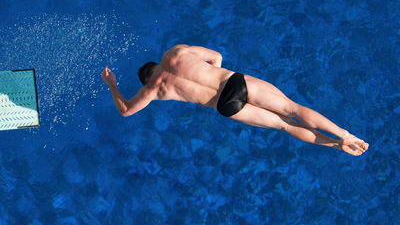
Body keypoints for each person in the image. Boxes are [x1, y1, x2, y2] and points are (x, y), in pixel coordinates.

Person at [102, 44, 369, 156]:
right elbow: (216, 56)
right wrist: (217, 73)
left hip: (225, 106)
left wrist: (113, 86)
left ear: (148, 79)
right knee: (293, 108)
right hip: (233, 82)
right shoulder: (175, 52)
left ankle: (335, 145)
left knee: (285, 126)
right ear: (156, 62)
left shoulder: (153, 91)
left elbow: (125, 111)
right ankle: (343, 134)